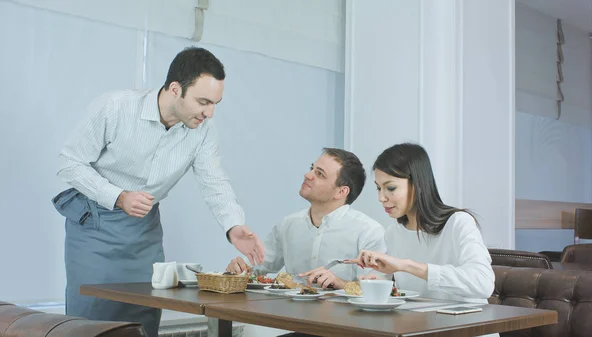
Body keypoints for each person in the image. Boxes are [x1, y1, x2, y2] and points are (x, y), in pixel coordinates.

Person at [52, 47, 264, 337]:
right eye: (203, 102)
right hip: (95, 224)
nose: (209, 112)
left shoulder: (203, 131)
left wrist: (233, 226)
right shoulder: (115, 107)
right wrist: (118, 196)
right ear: (175, 89)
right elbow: (70, 163)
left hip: (143, 231)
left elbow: (215, 181)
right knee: (92, 318)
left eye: (215, 103)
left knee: (144, 316)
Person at [352, 143, 495, 306]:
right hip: (419, 326)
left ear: (418, 185)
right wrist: (377, 281)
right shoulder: (394, 233)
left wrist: (408, 266)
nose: (381, 198)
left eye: (390, 188)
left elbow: (483, 283)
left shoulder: (458, 222)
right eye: (378, 188)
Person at [226, 148, 385, 290]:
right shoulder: (288, 224)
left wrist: (340, 283)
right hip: (291, 318)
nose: (308, 175)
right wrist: (241, 267)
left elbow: (377, 289)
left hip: (345, 320)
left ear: (341, 192)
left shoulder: (369, 231)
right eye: (312, 168)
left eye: (319, 174)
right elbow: (257, 265)